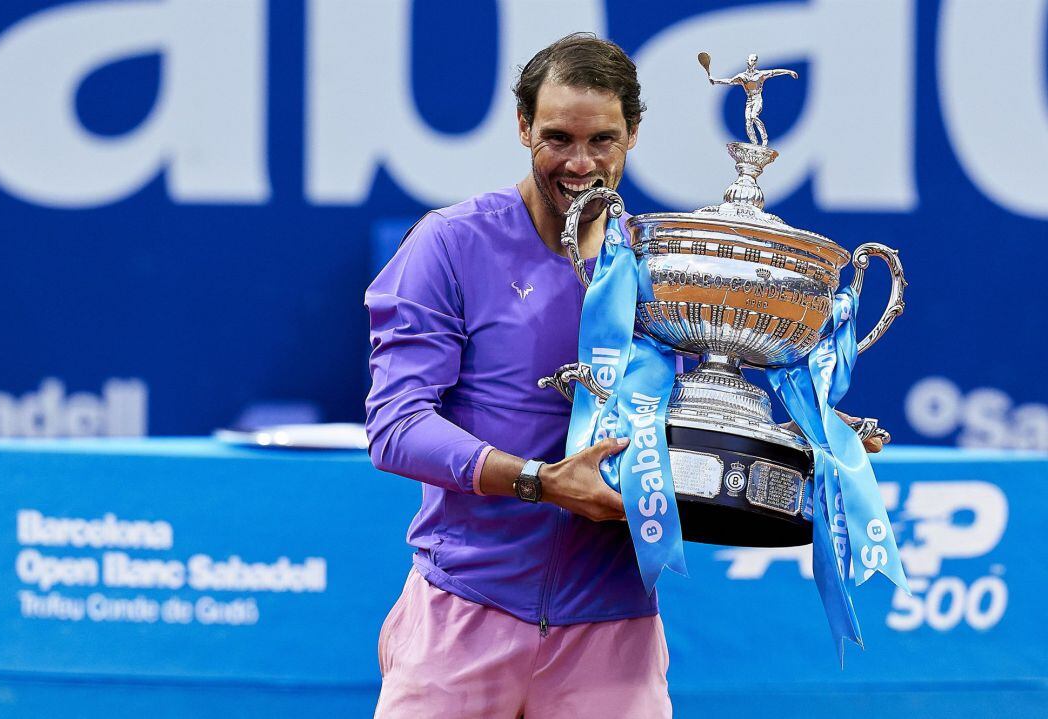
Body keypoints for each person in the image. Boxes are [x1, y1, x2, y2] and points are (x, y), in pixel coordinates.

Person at [365, 33, 880, 718]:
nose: (580, 163)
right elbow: (395, 428)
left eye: (602, 140)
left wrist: (798, 434)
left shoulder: (663, 267)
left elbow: (699, 416)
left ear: (633, 133)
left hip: (614, 633)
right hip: (462, 615)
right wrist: (538, 482)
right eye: (556, 138)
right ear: (522, 126)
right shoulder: (450, 244)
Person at [706, 53, 798, 146]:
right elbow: (730, 81)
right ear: (747, 61)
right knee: (748, 122)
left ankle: (764, 138)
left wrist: (789, 72)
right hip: (749, 101)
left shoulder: (760, 75)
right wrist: (716, 81)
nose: (752, 62)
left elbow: (774, 72)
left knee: (753, 116)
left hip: (757, 99)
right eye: (751, 60)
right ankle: (754, 143)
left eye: (754, 60)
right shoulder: (742, 76)